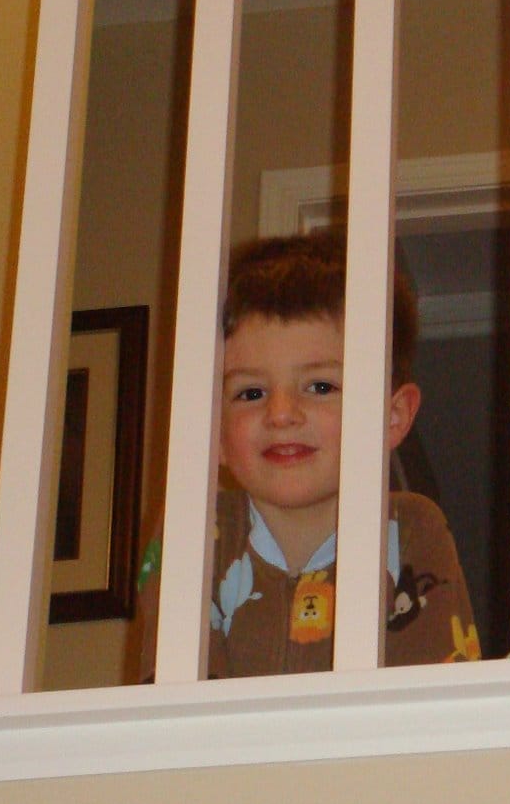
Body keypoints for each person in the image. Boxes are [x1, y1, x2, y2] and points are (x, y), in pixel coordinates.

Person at [137, 229, 480, 678]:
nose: (281, 414)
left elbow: (436, 682)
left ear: (392, 417)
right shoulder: (198, 527)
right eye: (251, 392)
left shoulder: (410, 529)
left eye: (320, 386)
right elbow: (171, 689)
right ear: (212, 431)